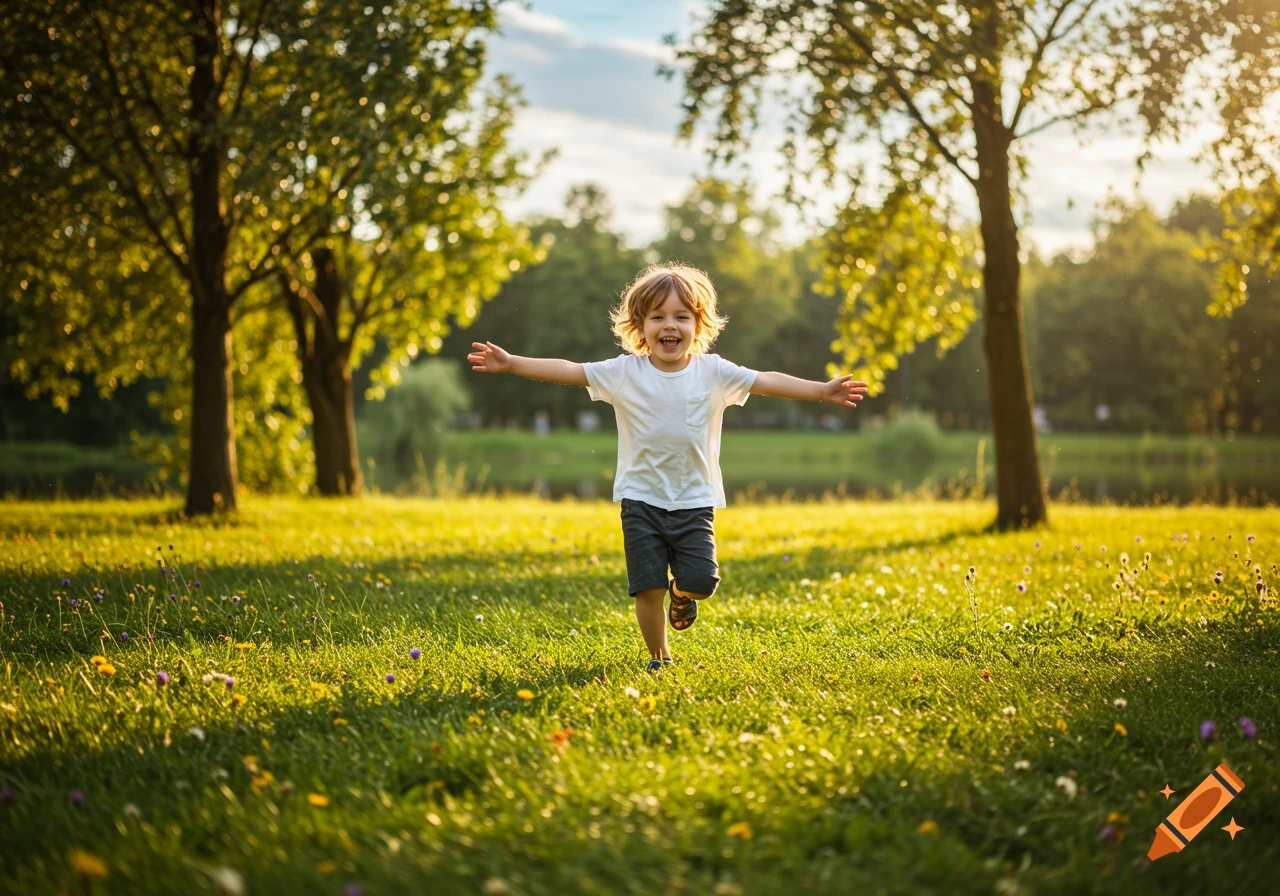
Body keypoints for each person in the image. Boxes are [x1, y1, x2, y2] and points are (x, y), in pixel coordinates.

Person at [467, 262, 869, 672]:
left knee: (702, 584)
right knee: (647, 588)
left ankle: (682, 593)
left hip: (694, 500)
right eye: (657, 317)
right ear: (640, 326)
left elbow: (766, 379)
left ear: (699, 325)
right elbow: (571, 371)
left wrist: (821, 391)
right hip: (640, 499)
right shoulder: (625, 372)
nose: (669, 325)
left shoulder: (714, 372)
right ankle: (660, 660)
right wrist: (513, 362)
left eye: (681, 316)